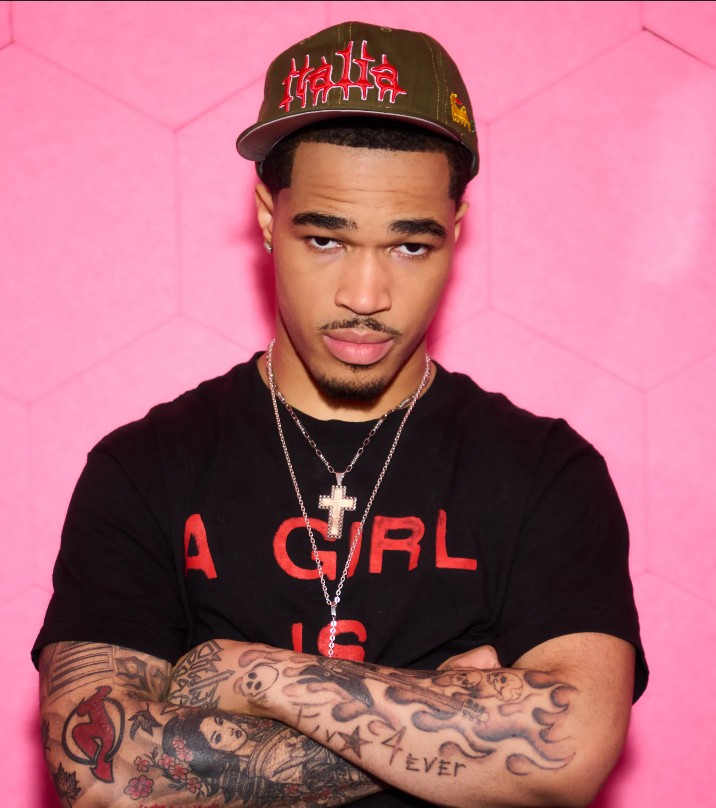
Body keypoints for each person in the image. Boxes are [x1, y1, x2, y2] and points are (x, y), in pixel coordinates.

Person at [34, 19, 647, 808]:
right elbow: (103, 772)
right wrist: (455, 722)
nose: (366, 296)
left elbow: (569, 751)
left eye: (410, 246)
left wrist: (246, 673)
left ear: (456, 232)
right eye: (325, 240)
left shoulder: (544, 473)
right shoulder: (145, 468)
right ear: (268, 218)